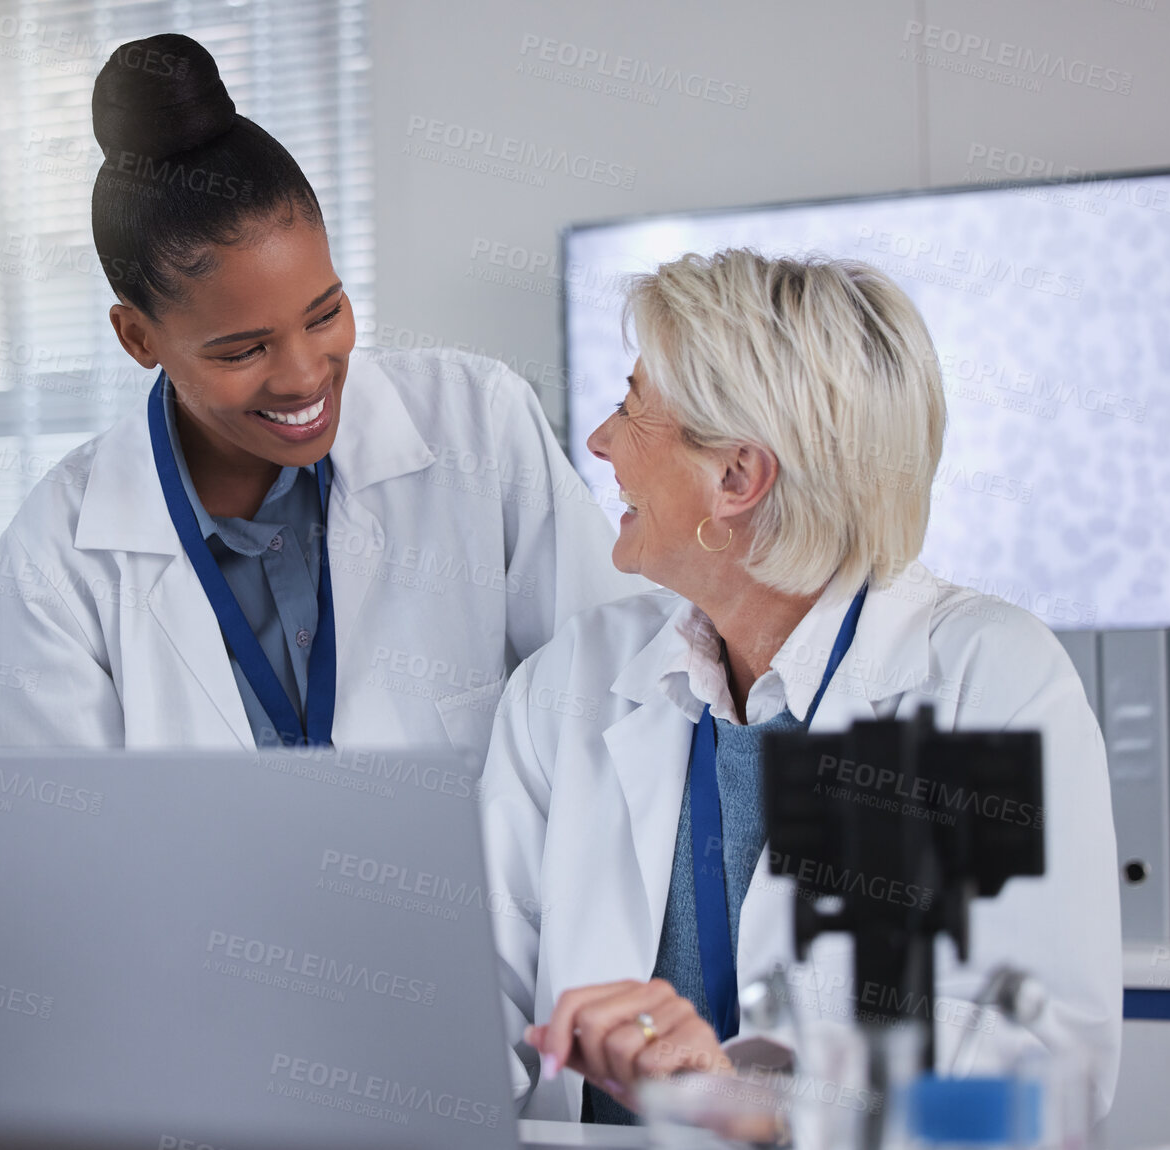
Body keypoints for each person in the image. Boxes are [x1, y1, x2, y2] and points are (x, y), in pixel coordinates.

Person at [479, 250, 1122, 1123]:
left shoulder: (984, 677)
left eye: (632, 407)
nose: (597, 441)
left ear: (737, 478)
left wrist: (761, 1104)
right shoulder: (571, 679)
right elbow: (478, 1003)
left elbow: (1036, 1079)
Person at [0, 33, 640, 753]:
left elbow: (623, 706)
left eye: (324, 314)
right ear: (138, 339)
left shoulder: (477, 422)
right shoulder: (56, 557)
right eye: (243, 349)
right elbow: (46, 843)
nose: (304, 375)